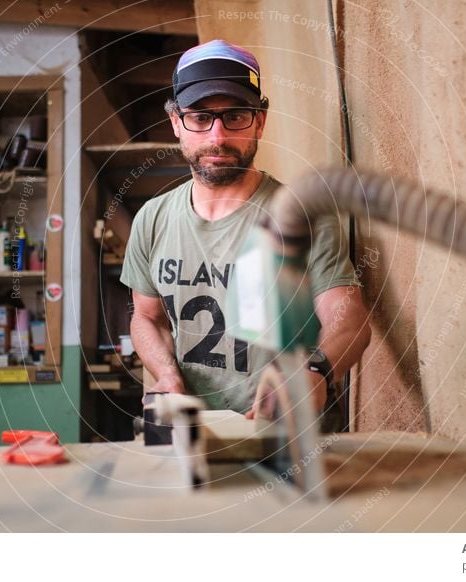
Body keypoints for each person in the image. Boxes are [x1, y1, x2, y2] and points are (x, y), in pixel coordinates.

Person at [120, 39, 370, 420]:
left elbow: (349, 319)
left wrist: (314, 373)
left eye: (235, 116)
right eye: (200, 118)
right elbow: (147, 318)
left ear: (260, 121)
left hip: (285, 439)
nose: (217, 137)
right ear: (176, 123)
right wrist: (166, 372)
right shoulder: (152, 219)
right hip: (191, 435)